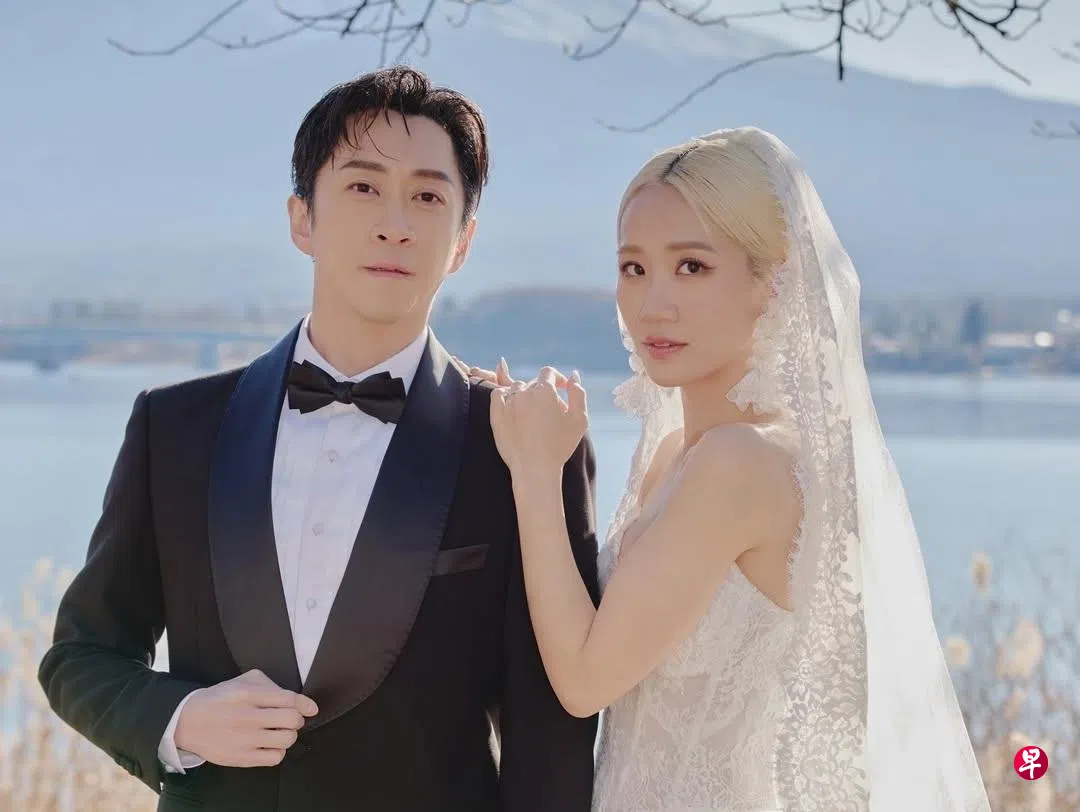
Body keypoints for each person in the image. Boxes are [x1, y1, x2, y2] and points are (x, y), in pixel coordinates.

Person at [37, 66, 600, 812]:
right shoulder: (173, 428)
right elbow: (81, 655)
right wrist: (182, 718)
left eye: (428, 197)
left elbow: (550, 731)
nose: (395, 223)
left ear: (463, 241)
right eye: (363, 186)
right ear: (301, 219)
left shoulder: (524, 440)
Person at [469, 127, 992, 810]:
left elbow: (584, 680)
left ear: (771, 282)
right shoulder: (673, 457)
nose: (653, 304)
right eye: (633, 268)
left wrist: (536, 471)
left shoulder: (740, 463)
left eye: (692, 267)